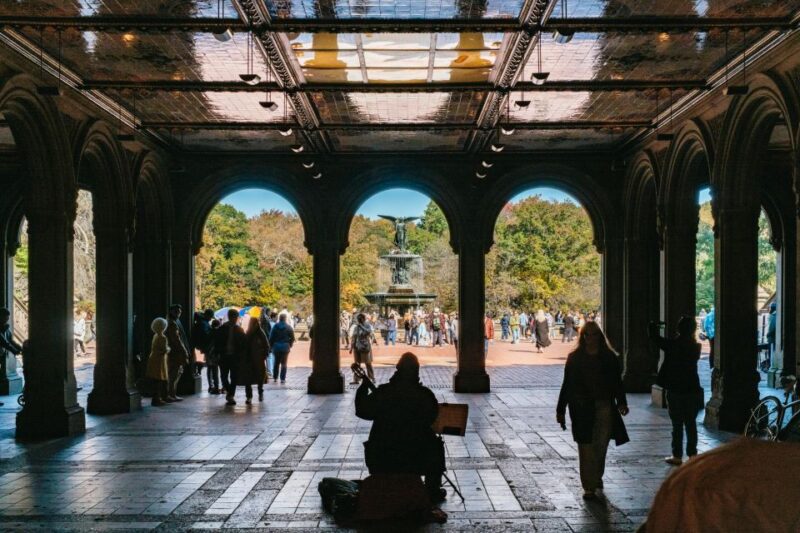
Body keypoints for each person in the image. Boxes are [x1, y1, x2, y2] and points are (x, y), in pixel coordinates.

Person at [355, 352, 445, 503]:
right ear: (416, 371)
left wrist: (364, 387)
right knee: (436, 444)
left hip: (383, 455)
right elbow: (432, 418)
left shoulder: (384, 392)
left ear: (398, 369)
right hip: (417, 456)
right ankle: (432, 490)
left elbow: (362, 411)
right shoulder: (425, 395)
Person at [556, 321, 629, 500]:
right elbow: (567, 385)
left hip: (604, 405)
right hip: (581, 407)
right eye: (586, 334)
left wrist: (622, 402)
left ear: (600, 336)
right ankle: (589, 485)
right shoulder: (575, 358)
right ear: (582, 336)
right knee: (585, 446)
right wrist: (561, 409)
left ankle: (596, 476)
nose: (590, 338)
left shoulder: (609, 357)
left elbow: (616, 383)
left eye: (593, 334)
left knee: (601, 445)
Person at [649, 317, 702, 466]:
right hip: (692, 388)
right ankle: (692, 455)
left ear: (679, 329)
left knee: (677, 423)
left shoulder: (673, 345)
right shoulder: (695, 347)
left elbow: (655, 338)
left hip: (675, 389)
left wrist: (653, 325)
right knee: (691, 423)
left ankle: (677, 455)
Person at [215, 308, 246, 405]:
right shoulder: (222, 328)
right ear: (231, 317)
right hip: (224, 356)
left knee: (234, 377)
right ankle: (229, 393)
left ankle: (230, 395)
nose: (236, 319)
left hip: (234, 356)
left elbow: (243, 344)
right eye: (236, 317)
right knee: (224, 376)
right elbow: (217, 343)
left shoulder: (239, 329)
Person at [241, 317, 269, 404]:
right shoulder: (248, 333)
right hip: (250, 359)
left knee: (259, 378)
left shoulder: (260, 333)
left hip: (258, 359)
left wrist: (264, 355)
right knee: (248, 379)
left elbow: (266, 346)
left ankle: (260, 393)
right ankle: (249, 396)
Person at [165, 304, 190, 402]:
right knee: (174, 374)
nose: (178, 314)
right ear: (171, 311)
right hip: (175, 352)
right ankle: (171, 394)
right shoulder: (172, 323)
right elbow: (177, 340)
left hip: (174, 352)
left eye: (179, 312)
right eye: (176, 312)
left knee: (175, 373)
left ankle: (172, 394)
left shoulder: (173, 322)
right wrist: (184, 351)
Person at [145, 317, 170, 406]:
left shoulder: (155, 335)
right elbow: (164, 350)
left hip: (153, 358)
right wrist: (168, 349)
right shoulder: (163, 337)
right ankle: (157, 399)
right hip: (160, 360)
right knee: (159, 379)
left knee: (155, 380)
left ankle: (156, 398)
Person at [0, 307, 22, 405]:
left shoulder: (6, 329)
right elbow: (4, 342)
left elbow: (11, 340)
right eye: (5, 318)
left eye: (7, 318)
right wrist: (14, 350)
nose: (6, 320)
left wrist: (21, 348)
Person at [192, 309, 215, 391]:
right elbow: (206, 336)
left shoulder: (201, 322)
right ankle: (211, 385)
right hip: (206, 348)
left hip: (203, 348)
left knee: (210, 367)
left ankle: (211, 385)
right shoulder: (204, 324)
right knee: (211, 367)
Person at [269, 313, 295, 384]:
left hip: (276, 347)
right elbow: (292, 338)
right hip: (285, 347)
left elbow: (271, 338)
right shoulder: (289, 327)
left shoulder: (275, 326)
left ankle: (275, 377)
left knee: (276, 363)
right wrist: (290, 345)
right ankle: (282, 378)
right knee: (284, 363)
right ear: (285, 319)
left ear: (279, 318)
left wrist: (271, 346)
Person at [351, 313, 376, 384]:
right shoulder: (356, 327)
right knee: (357, 363)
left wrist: (361, 326)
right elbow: (354, 337)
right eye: (358, 318)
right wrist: (351, 347)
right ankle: (356, 379)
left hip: (365, 346)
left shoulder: (368, 325)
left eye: (360, 318)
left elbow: (369, 332)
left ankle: (372, 378)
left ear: (364, 319)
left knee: (368, 363)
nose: (359, 320)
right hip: (357, 346)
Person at [206, 319, 222, 394]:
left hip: (209, 353)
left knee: (209, 369)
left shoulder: (209, 331)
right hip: (215, 353)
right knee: (215, 371)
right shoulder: (218, 332)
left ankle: (210, 386)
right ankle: (216, 387)